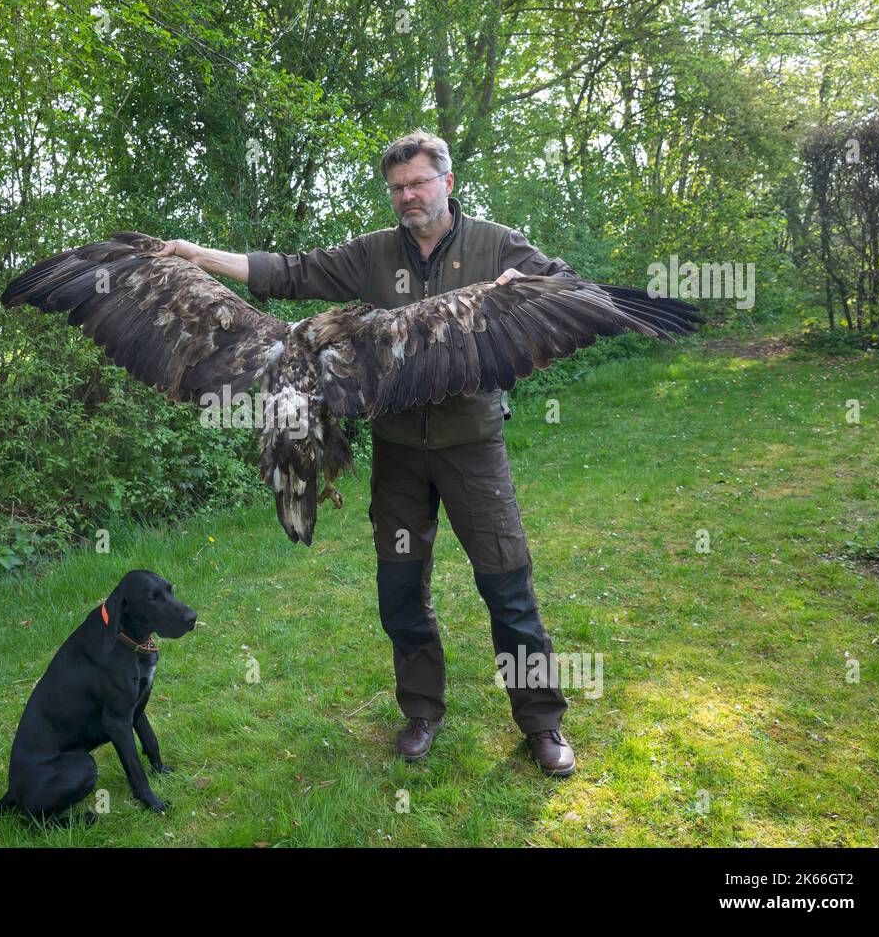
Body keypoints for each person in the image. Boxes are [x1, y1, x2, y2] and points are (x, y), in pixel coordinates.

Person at [155, 130, 576, 776]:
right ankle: (421, 712)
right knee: (401, 590)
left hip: (472, 446)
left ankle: (542, 723)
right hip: (399, 451)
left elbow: (571, 292)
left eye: (418, 183)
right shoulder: (373, 255)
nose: (408, 196)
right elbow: (289, 273)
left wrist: (532, 284)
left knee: (507, 587)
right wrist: (194, 255)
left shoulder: (497, 243)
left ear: (448, 182)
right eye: (397, 188)